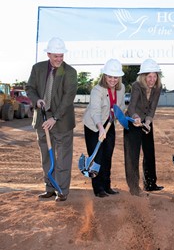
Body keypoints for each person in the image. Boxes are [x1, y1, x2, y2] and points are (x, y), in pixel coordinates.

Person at [26, 37, 78, 202]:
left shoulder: (68, 72)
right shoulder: (38, 68)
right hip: (42, 118)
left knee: (63, 157)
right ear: (48, 54)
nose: (59, 59)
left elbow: (68, 97)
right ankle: (49, 188)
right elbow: (30, 88)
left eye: (61, 56)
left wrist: (55, 117)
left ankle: (61, 190)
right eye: (56, 56)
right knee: (46, 156)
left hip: (62, 120)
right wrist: (37, 101)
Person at [83, 59, 125, 198]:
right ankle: (98, 188)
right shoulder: (97, 90)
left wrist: (123, 117)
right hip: (94, 126)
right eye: (110, 76)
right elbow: (95, 111)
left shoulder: (122, 88)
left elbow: (121, 108)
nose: (113, 80)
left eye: (115, 77)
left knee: (108, 155)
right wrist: (100, 128)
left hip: (109, 123)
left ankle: (107, 185)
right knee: (97, 157)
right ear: (104, 76)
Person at [124, 59, 163, 196]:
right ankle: (134, 187)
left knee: (149, 152)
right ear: (143, 76)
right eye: (149, 76)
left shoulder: (158, 87)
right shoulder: (136, 86)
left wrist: (148, 122)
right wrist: (135, 117)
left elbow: (153, 108)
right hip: (132, 121)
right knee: (132, 155)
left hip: (146, 121)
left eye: (154, 76)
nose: (152, 79)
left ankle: (150, 184)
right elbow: (132, 107)